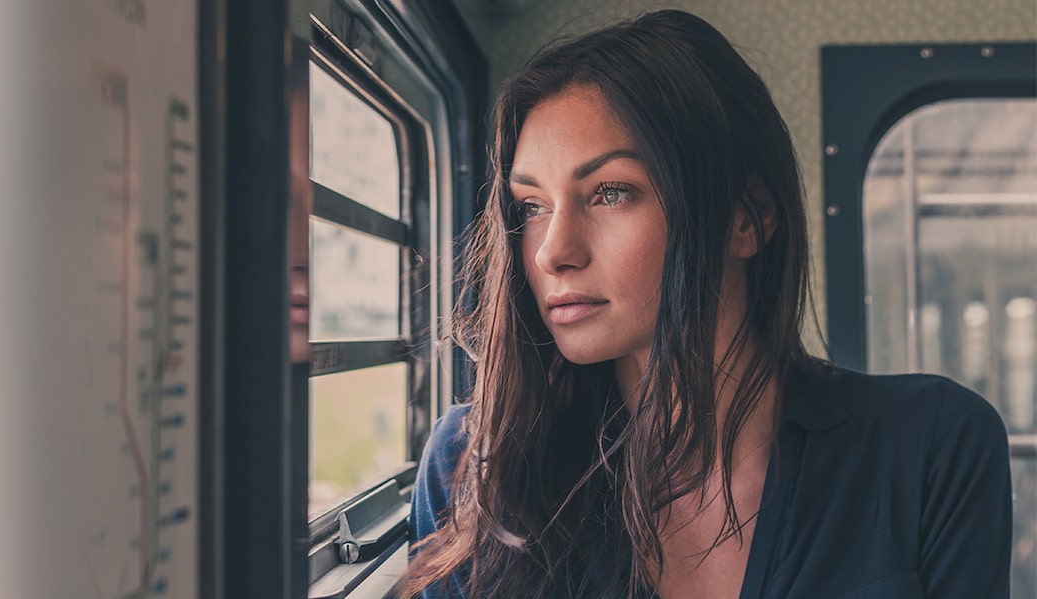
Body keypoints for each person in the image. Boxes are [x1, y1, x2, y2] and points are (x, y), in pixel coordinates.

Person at [402, 9, 1012, 598]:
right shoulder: (476, 468)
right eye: (532, 206)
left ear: (747, 217)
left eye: (611, 193)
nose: (550, 252)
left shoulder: (932, 448)